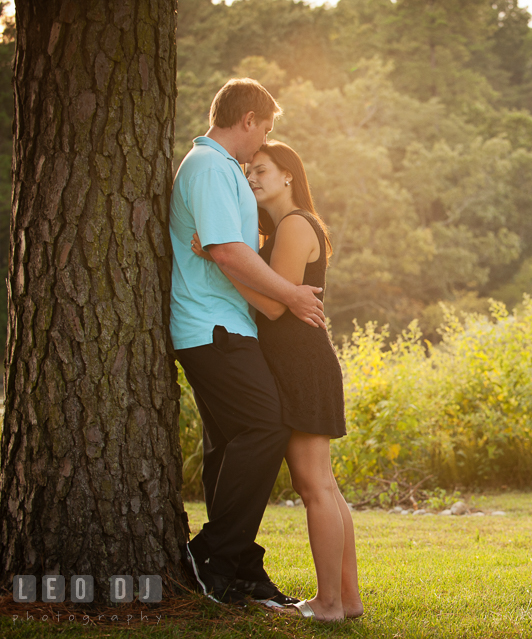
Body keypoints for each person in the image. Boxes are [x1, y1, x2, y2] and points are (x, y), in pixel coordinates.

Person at [169, 78, 326, 606]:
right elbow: (228, 253)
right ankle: (214, 550)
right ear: (249, 120)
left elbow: (236, 247)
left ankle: (237, 568)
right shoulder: (212, 166)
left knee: (230, 444)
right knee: (267, 424)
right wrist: (293, 296)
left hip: (225, 325)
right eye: (266, 127)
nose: (263, 138)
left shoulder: (217, 168)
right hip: (212, 327)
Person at [191, 141, 363, 621]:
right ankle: (347, 601)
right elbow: (277, 295)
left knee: (314, 488)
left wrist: (217, 258)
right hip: (298, 365)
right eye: (248, 173)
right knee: (324, 487)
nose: (252, 179)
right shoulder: (286, 227)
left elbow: (271, 305)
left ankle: (328, 602)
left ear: (289, 175)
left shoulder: (293, 224)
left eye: (262, 170)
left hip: (302, 367)